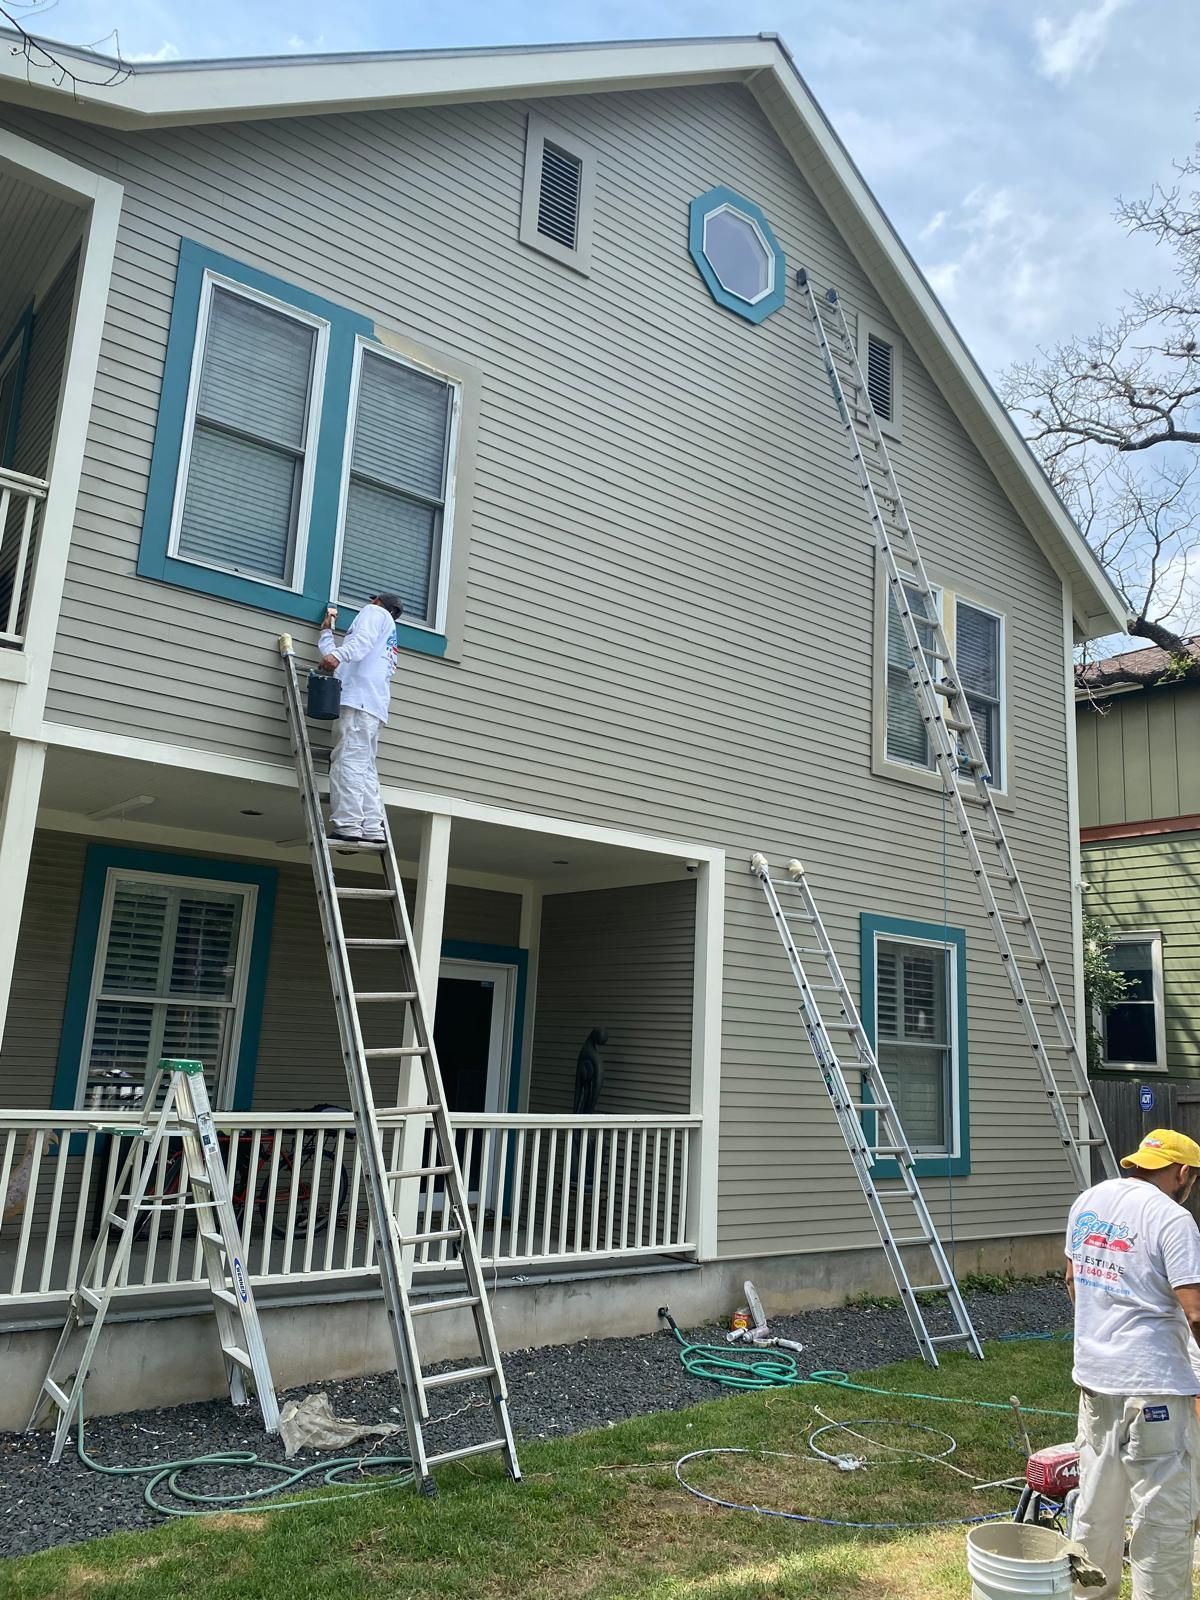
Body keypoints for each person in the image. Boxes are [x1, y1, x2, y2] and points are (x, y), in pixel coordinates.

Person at [1066, 1128, 1200, 1600]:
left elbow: (1072, 1280)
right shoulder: (1172, 1218)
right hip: (1155, 1387)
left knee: (1096, 1506)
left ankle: (1088, 1594)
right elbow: (1195, 1309)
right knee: (1160, 1512)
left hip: (1096, 1382)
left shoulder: (1087, 1202)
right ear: (1183, 1174)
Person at [317, 593, 403, 844]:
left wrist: (338, 655)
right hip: (373, 705)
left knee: (347, 763)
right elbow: (347, 657)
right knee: (364, 767)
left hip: (359, 701)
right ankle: (373, 828)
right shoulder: (386, 634)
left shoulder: (374, 613)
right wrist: (326, 636)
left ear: (377, 601)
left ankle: (349, 825)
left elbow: (358, 645)